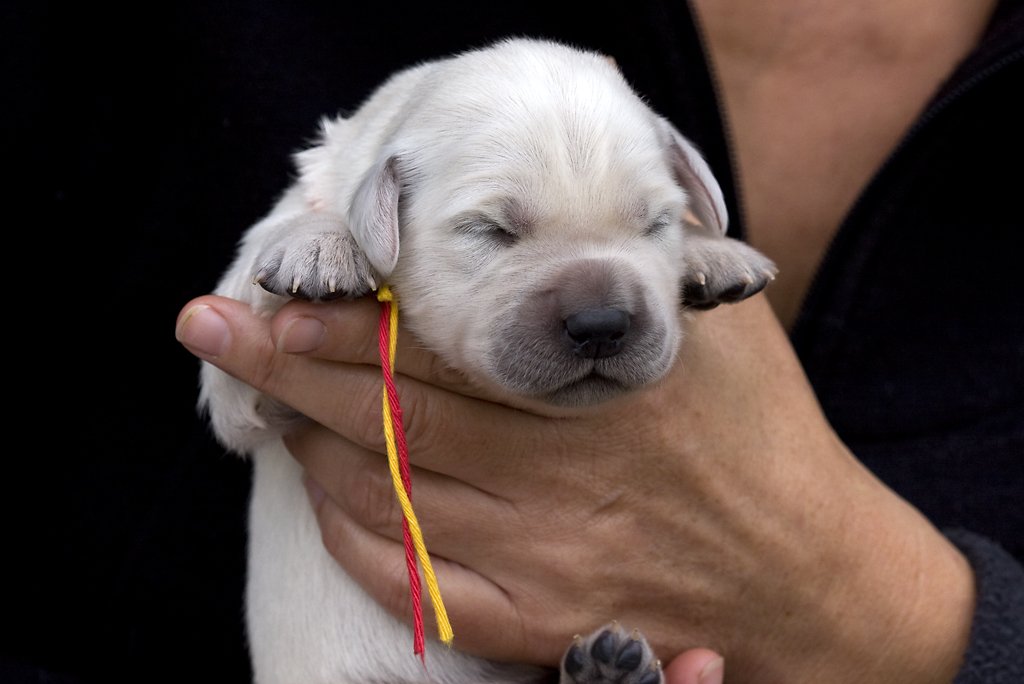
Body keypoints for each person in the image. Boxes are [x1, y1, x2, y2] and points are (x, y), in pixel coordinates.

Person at [174, 0, 1024, 682]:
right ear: (380, 207)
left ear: (690, 189)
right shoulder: (333, 204)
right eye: (497, 232)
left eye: (650, 221)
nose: (599, 315)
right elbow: (242, 406)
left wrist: (900, 629)